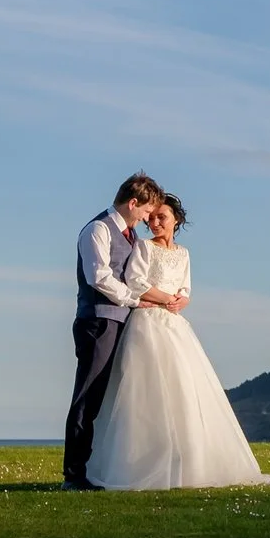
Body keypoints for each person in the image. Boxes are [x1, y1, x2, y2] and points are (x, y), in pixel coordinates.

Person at [87, 193, 270, 490]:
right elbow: (136, 282)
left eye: (163, 217)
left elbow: (185, 286)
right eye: (153, 217)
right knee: (145, 391)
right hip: (147, 323)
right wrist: (165, 298)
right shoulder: (143, 247)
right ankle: (140, 464)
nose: (156, 222)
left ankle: (187, 462)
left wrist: (182, 299)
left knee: (185, 388)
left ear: (177, 220)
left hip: (174, 325)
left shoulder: (184, 253)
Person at [63, 172, 182, 490]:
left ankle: (97, 467)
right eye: (145, 212)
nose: (147, 219)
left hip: (121, 322)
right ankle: (73, 475)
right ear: (133, 203)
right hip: (98, 321)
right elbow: (98, 277)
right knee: (88, 397)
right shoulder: (98, 230)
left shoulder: (129, 236)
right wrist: (135, 299)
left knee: (107, 398)